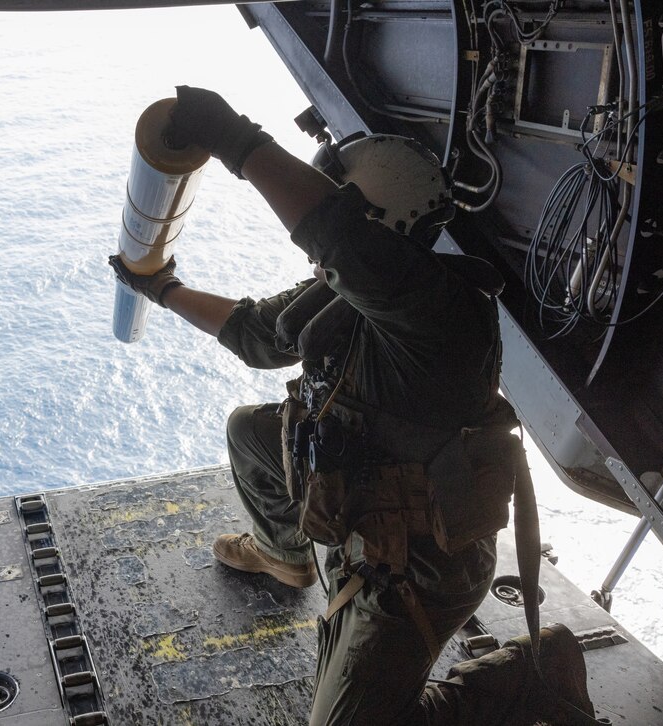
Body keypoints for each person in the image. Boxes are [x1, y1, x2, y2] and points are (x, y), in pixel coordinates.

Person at [109, 86, 596, 725]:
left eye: (346, 213)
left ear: (376, 223)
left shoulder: (440, 316)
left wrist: (236, 139)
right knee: (250, 433)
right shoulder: (344, 299)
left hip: (416, 566)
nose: (317, 251)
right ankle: (285, 555)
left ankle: (534, 671)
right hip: (354, 502)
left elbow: (337, 237)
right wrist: (163, 288)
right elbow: (258, 334)